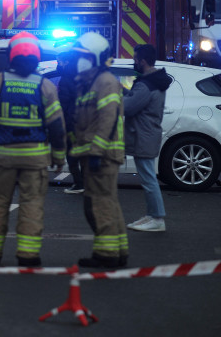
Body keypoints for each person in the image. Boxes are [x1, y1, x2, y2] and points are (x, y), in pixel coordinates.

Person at [0, 32, 66, 267]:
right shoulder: (45, 86)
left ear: (10, 55)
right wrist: (59, 156)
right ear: (37, 57)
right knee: (32, 203)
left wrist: (0, 117)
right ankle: (28, 255)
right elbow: (56, 124)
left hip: (4, 155)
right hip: (35, 157)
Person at [69, 32, 127, 268]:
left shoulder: (105, 82)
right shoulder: (89, 83)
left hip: (101, 155)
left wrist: (96, 151)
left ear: (95, 58)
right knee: (108, 202)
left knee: (100, 204)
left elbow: (107, 119)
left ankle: (106, 254)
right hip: (94, 153)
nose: (78, 61)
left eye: (83, 56)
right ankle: (119, 250)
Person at [124, 44, 172, 232]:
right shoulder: (155, 81)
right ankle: (152, 215)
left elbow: (128, 107)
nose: (134, 62)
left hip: (143, 135)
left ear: (142, 61)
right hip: (147, 133)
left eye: (135, 59)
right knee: (148, 176)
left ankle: (157, 218)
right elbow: (136, 100)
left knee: (148, 179)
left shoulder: (146, 85)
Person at [57, 49, 84, 194]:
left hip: (72, 121)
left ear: (66, 62)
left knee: (72, 153)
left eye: (60, 61)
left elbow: (64, 102)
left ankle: (79, 183)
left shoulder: (66, 78)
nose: (58, 64)